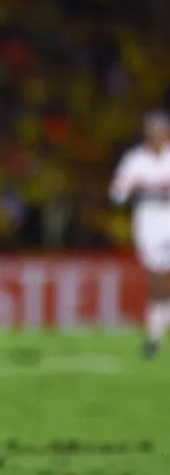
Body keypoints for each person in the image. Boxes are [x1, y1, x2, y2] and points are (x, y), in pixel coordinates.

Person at [109, 110, 170, 358]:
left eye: (160, 131)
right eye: (152, 132)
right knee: (157, 275)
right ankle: (155, 334)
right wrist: (145, 193)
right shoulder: (134, 160)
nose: (156, 136)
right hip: (148, 222)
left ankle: (155, 334)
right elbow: (117, 194)